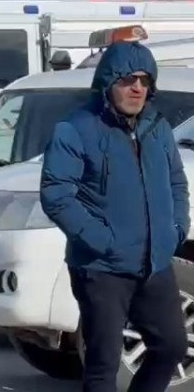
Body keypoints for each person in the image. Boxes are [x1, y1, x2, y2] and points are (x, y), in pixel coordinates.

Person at [41, 42, 189, 392]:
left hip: (154, 263)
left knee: (171, 347)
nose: (137, 88)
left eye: (144, 80)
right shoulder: (75, 129)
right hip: (101, 268)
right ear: (107, 82)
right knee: (103, 364)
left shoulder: (157, 127)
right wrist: (101, 240)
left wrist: (176, 229)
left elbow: (176, 181)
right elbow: (56, 195)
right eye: (127, 80)